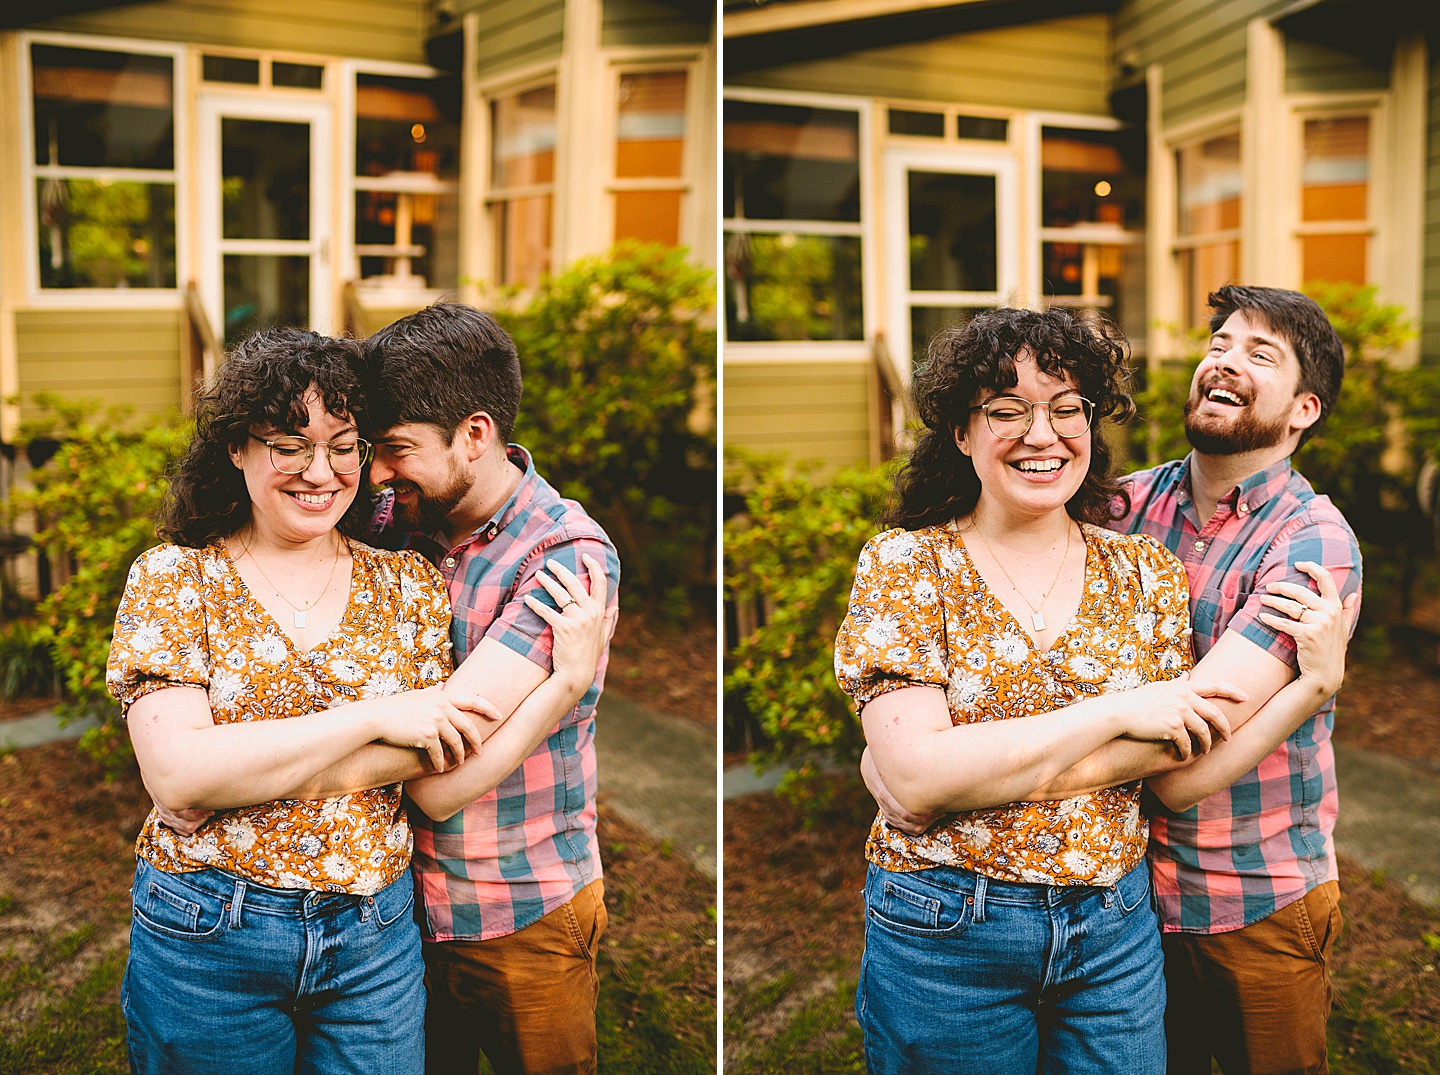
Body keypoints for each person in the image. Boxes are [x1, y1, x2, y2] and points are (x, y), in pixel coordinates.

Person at [864, 286, 1362, 1075]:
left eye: (1259, 353)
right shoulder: (1126, 507)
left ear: (1304, 408)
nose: (1226, 360)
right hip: (1128, 902)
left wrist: (940, 775)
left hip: (1249, 892)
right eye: (1221, 342)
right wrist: (898, 758)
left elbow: (1182, 764)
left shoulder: (1309, 545)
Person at [107, 327, 611, 1075]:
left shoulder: (463, 571)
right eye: (288, 444)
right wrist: (370, 716)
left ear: (474, 436)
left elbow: (431, 774)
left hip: (431, 922)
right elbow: (177, 776)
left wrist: (225, 772)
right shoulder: (187, 576)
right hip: (226, 927)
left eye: (355, 445)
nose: (344, 472)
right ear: (237, 448)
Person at [307, 302, 622, 1075]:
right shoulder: (398, 521)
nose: (375, 474)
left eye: (396, 450)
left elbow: (439, 782)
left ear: (475, 434)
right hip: (392, 913)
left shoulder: (563, 560)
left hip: (519, 908)